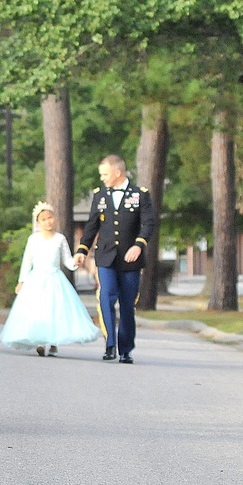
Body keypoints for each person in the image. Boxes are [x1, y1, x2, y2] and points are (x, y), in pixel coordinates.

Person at [74, 155, 156, 364]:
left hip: (130, 259)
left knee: (128, 304)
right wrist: (82, 249)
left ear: (117, 172)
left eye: (105, 174)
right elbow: (92, 225)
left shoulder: (140, 195)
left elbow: (148, 224)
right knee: (106, 298)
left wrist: (139, 245)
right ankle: (110, 344)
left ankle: (125, 349)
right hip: (106, 257)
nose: (102, 178)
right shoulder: (99, 196)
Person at [0, 201, 100, 356]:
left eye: (50, 218)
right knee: (39, 310)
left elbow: (66, 260)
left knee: (55, 310)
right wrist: (22, 281)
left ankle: (54, 343)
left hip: (55, 278)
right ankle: (40, 341)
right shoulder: (33, 239)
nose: (48, 222)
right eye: (44, 219)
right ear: (38, 222)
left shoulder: (60, 239)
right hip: (37, 279)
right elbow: (28, 261)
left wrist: (75, 262)